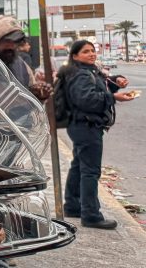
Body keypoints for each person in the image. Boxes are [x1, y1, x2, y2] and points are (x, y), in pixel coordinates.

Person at [59, 40, 133, 229]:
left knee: (78, 166)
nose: (91, 54)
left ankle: (73, 206)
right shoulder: (80, 75)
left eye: (93, 51)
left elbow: (101, 87)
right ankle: (91, 215)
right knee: (90, 171)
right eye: (86, 51)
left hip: (82, 126)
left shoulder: (88, 71)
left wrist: (116, 82)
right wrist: (113, 97)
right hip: (86, 126)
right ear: (75, 56)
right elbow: (87, 100)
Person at [0, 15, 52, 101]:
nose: (11, 46)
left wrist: (38, 94)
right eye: (7, 41)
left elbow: (32, 108)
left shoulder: (22, 67)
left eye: (15, 41)